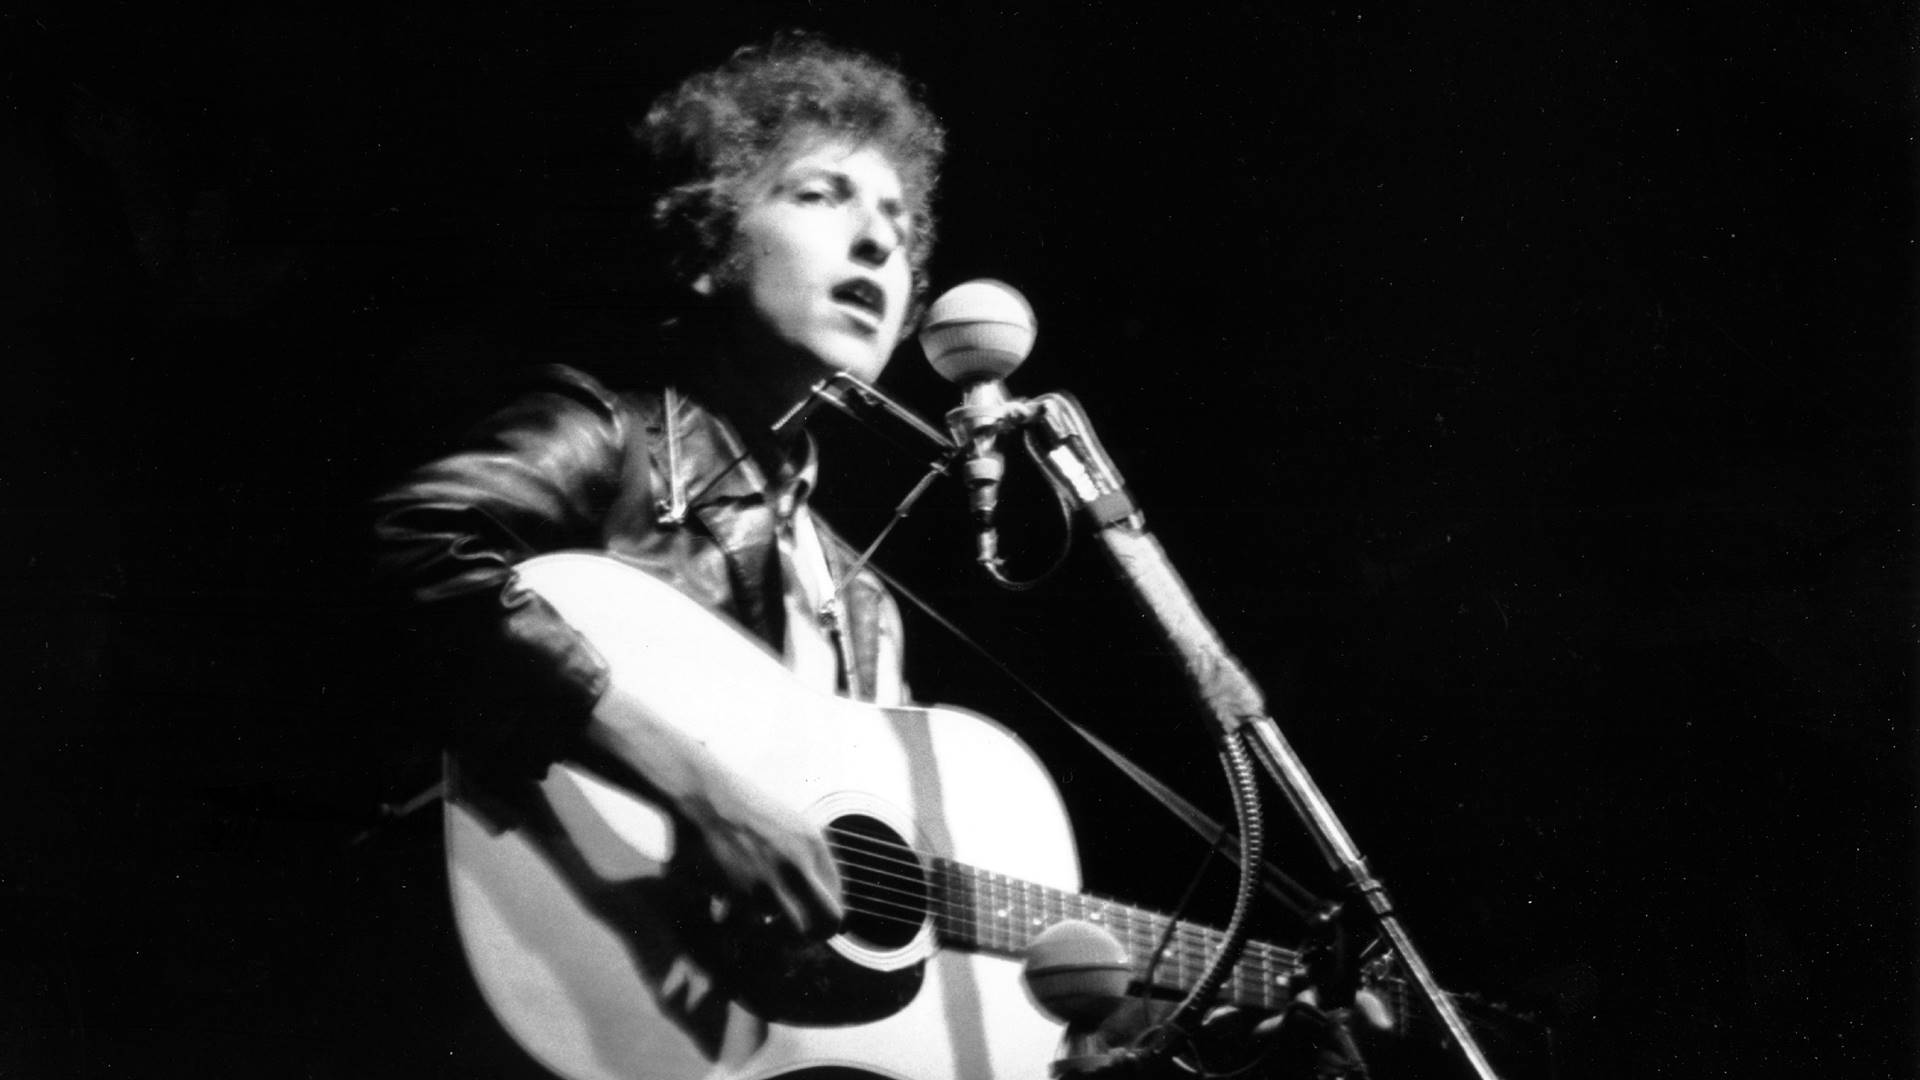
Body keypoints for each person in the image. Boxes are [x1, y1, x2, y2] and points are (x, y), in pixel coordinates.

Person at [371, 32, 945, 952]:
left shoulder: (864, 605)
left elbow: (847, 877)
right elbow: (416, 542)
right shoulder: (611, 435)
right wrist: (697, 790)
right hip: (527, 945)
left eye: (900, 226)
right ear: (706, 246)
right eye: (819, 196)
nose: (879, 242)